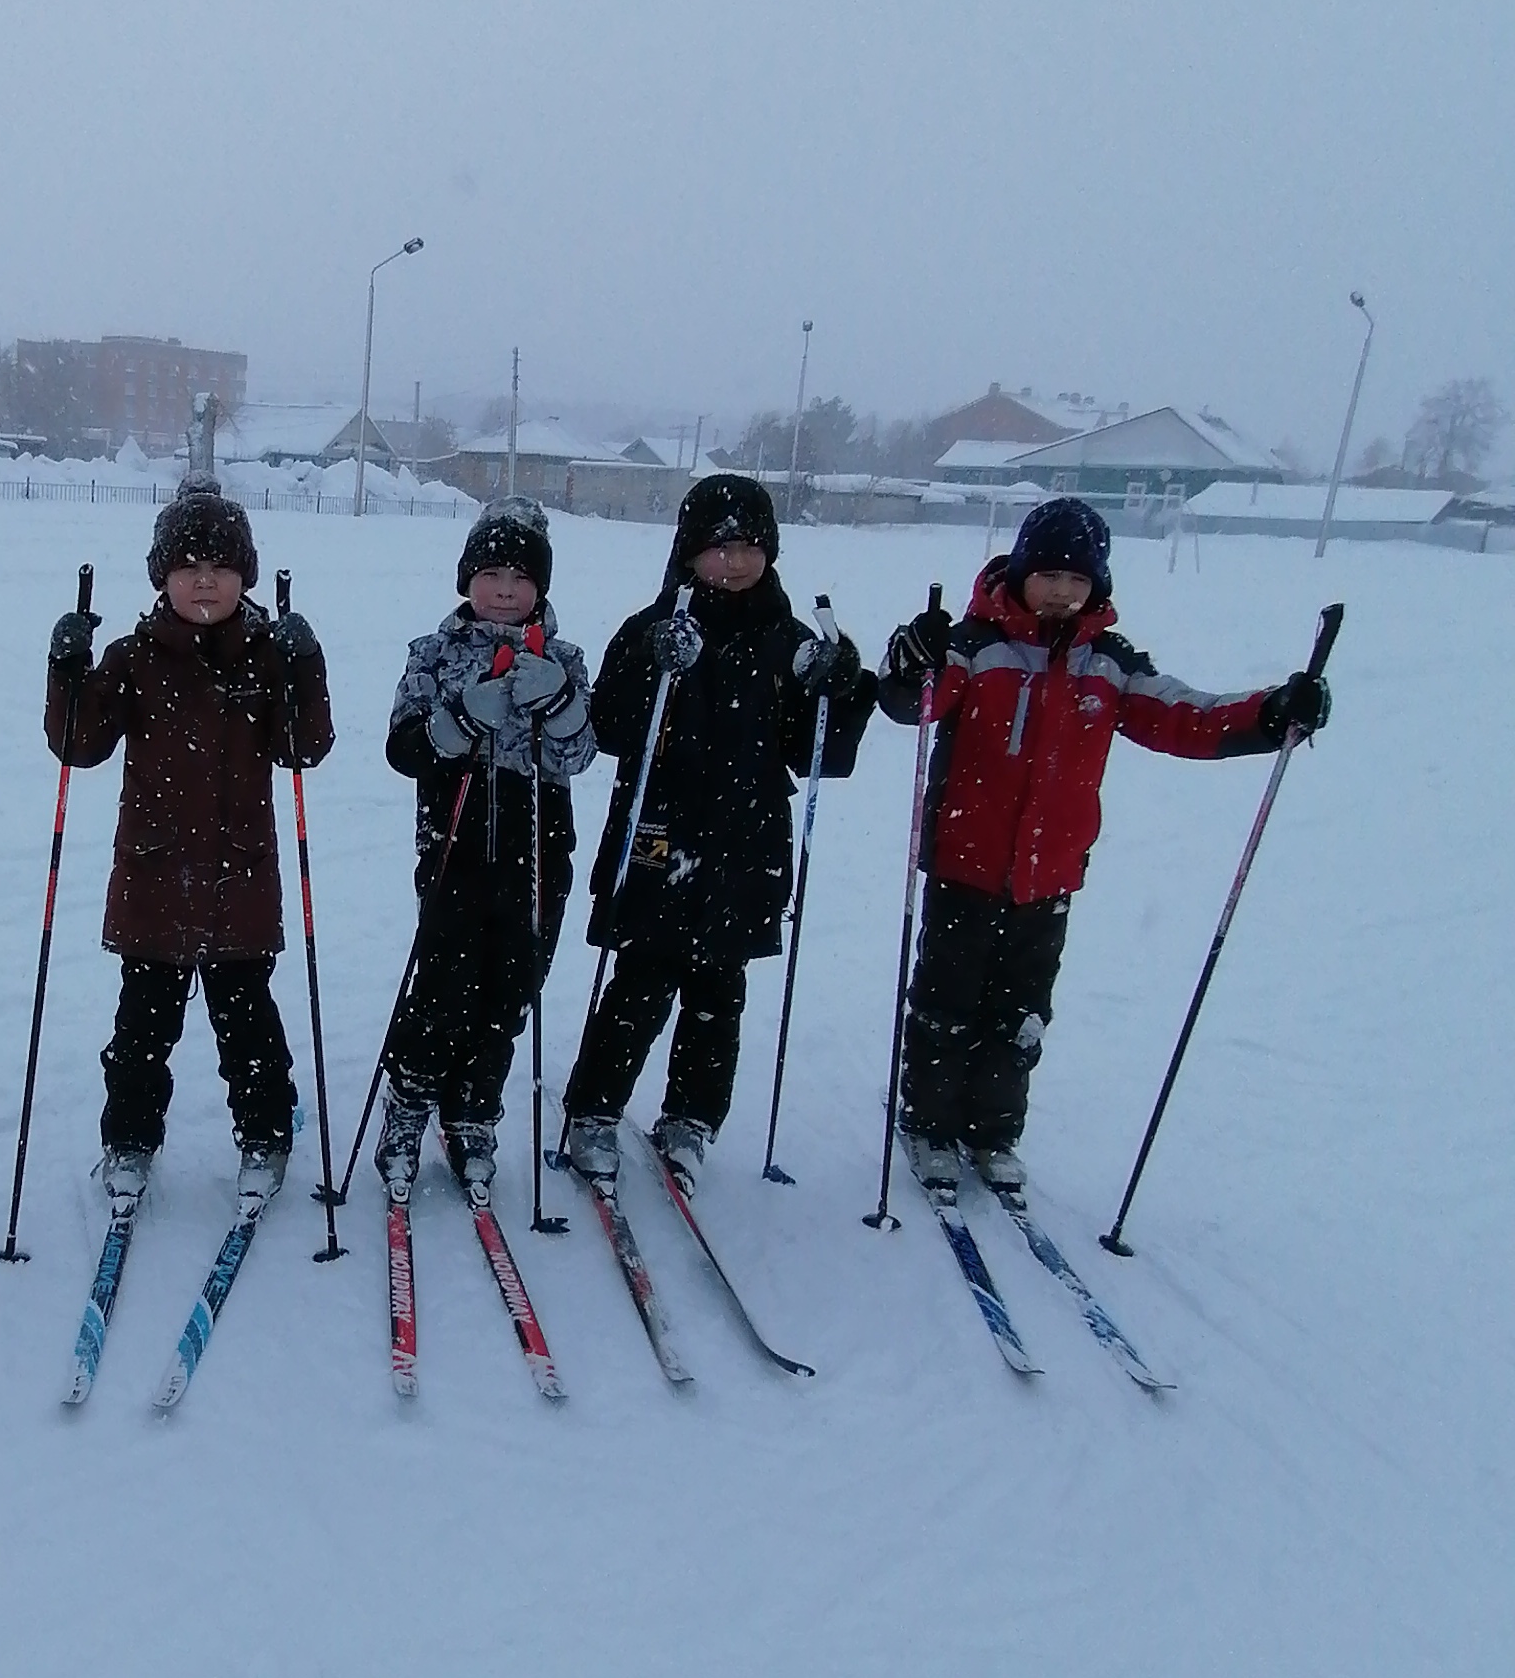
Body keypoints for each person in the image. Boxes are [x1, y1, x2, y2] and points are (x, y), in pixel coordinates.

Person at [876, 493, 1333, 1201]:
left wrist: (1273, 713)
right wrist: (912, 661)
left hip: (1048, 876)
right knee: (946, 1002)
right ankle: (929, 1123)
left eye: (1078, 579)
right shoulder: (974, 643)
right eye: (1049, 574)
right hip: (964, 862)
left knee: (1019, 1013)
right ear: (1022, 572)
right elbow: (916, 702)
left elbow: (1188, 717)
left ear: (1097, 587)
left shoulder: (1109, 663)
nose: (1061, 591)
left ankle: (992, 1132)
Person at [562, 472, 875, 1188]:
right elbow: (608, 727)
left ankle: (692, 1117)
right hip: (660, 835)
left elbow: (816, 753)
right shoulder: (651, 629)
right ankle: (593, 1110)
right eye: (715, 548)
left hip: (747, 842)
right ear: (687, 553)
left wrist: (843, 689)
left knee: (717, 993)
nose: (730, 563)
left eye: (746, 548)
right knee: (639, 985)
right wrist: (652, 667)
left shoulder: (791, 642)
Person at [46, 481, 333, 1212]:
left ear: (246, 577)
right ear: (161, 577)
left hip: (240, 876)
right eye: (187, 565)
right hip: (155, 876)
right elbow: (77, 745)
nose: (205, 580)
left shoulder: (266, 654)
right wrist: (67, 670)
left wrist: (306, 667)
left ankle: (266, 1134)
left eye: (221, 566)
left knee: (248, 1027)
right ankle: (131, 1140)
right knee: (141, 1031)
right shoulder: (134, 656)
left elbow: (304, 748)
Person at [376, 496, 595, 1201]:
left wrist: (560, 703)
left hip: (538, 846)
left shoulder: (562, 658)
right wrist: (462, 719)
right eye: (492, 572)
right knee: (442, 982)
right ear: (467, 579)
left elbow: (583, 753)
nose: (506, 588)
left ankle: (473, 1110)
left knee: (512, 986)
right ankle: (408, 1105)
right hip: (455, 842)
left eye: (521, 576)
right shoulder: (433, 654)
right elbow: (405, 749)